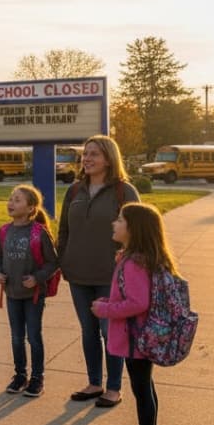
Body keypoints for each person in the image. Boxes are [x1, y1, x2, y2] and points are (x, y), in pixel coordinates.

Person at [58, 134, 140, 407]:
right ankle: (94, 383)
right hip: (78, 274)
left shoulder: (124, 191)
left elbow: (138, 233)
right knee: (88, 331)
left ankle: (114, 388)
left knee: (111, 332)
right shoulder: (74, 190)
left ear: (109, 158)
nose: (87, 158)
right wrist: (63, 261)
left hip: (111, 277)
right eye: (86, 153)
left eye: (94, 153)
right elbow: (64, 230)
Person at [91, 202, 179, 425]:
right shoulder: (138, 258)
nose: (114, 223)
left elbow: (138, 302)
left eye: (120, 220)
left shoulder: (134, 262)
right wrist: (108, 301)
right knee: (145, 387)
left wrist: (105, 309)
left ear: (134, 229)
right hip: (143, 335)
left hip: (136, 338)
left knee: (141, 391)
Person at [0, 184, 58, 397]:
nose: (11, 203)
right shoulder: (4, 231)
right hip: (12, 294)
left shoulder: (39, 233)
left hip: (33, 296)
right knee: (16, 337)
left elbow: (53, 262)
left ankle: (37, 378)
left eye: (17, 200)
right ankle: (20, 375)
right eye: (11, 198)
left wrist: (37, 278)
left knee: (33, 337)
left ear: (31, 208)